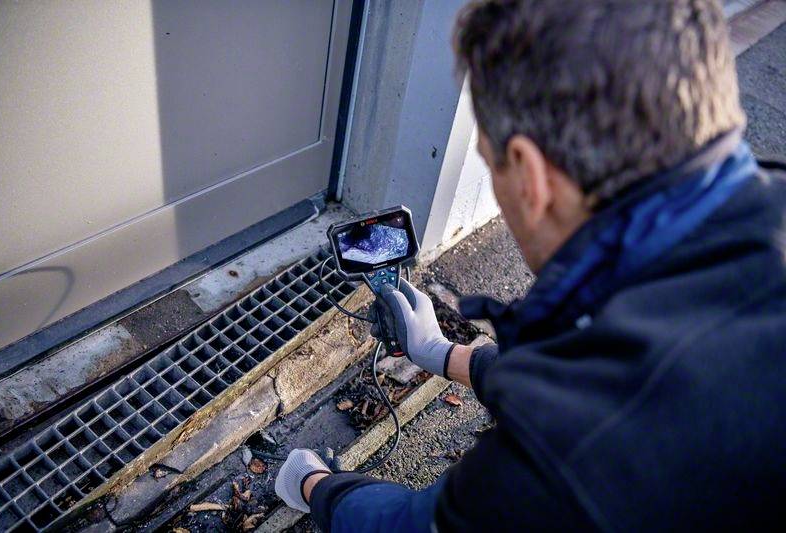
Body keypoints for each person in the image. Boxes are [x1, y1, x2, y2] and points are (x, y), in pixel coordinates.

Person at [274, 0, 786, 530]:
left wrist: (315, 484)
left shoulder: (568, 464)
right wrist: (443, 353)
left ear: (530, 175)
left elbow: (414, 526)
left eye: (490, 162)